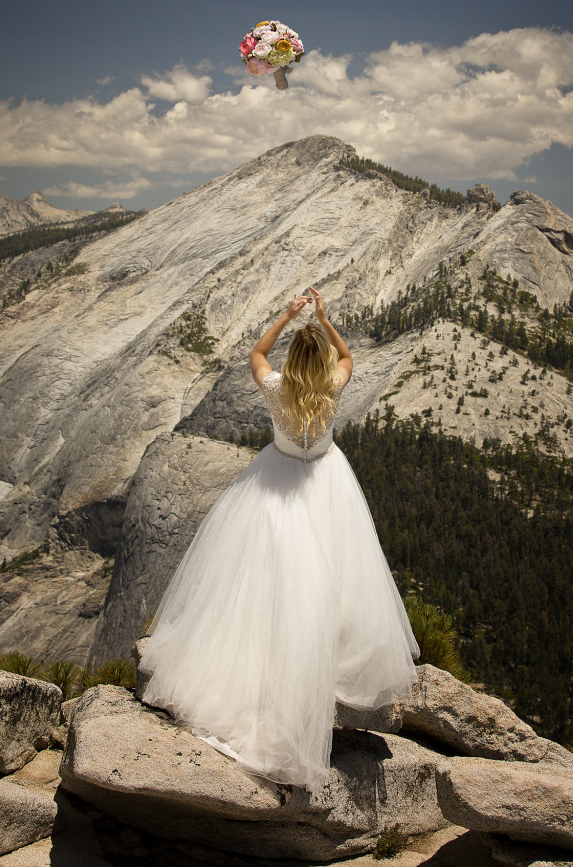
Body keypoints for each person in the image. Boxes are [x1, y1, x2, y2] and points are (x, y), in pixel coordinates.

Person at [138, 286, 420, 791]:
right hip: (325, 482)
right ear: (324, 362)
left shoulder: (275, 388)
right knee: (333, 576)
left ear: (294, 362)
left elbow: (257, 352)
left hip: (276, 482)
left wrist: (289, 315)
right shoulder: (333, 385)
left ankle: (263, 667)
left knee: (262, 579)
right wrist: (325, 319)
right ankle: (324, 659)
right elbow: (350, 355)